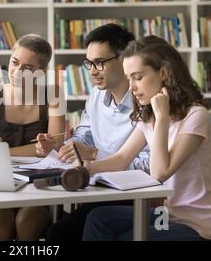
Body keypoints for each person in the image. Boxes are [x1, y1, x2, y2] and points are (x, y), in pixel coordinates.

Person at [82, 36, 211, 240]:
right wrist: (86, 168)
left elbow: (159, 173)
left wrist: (162, 118)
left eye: (138, 77)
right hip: (168, 215)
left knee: (128, 237)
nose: (131, 87)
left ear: (164, 73)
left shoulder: (196, 116)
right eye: (128, 77)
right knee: (99, 218)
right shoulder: (149, 116)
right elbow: (122, 158)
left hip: (198, 224)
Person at [42, 23, 150, 241]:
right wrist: (64, 147)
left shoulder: (145, 101)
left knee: (59, 233)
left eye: (100, 62)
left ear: (124, 59)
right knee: (55, 230)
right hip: (96, 187)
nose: (92, 71)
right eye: (89, 63)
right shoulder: (96, 96)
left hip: (134, 195)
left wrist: (94, 155)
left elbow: (147, 166)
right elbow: (84, 135)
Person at [0, 34, 65, 240]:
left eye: (28, 68)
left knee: (25, 222)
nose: (17, 72)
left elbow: (54, 150)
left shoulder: (54, 96)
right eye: (14, 63)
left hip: (38, 189)